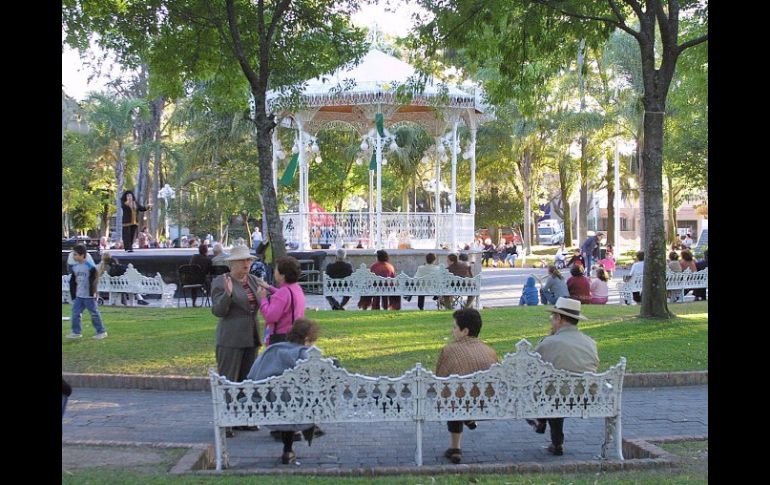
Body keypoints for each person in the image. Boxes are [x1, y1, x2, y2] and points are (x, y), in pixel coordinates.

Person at [527, 297, 598, 456]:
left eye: (553, 316)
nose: (551, 319)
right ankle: (555, 439)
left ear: (559, 318)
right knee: (559, 388)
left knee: (552, 390)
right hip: (586, 396)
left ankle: (541, 421)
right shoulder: (590, 342)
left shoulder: (549, 343)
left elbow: (530, 368)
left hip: (557, 396)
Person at [246, 318, 321, 464]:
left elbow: (251, 376)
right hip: (291, 404)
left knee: (287, 400)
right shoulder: (304, 354)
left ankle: (289, 448)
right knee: (294, 401)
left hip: (264, 401)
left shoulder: (272, 350)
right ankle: (308, 429)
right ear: (307, 339)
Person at [210, 245, 262, 436]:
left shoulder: (254, 281)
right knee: (229, 380)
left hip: (251, 336)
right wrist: (228, 295)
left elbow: (264, 301)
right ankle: (226, 422)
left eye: (248, 260)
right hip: (231, 338)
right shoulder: (221, 282)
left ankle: (244, 419)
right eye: (242, 260)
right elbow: (218, 311)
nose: (246, 264)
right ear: (231, 263)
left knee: (247, 381)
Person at [435, 309, 499, 464]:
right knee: (459, 394)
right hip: (487, 403)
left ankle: (455, 447)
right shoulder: (490, 351)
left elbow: (439, 379)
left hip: (459, 403)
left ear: (465, 331)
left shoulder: (450, 350)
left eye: (455, 327)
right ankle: (468, 418)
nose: (452, 330)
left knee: (453, 394)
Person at [256, 256, 306, 346]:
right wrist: (269, 287)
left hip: (281, 338)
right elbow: (286, 297)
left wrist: (262, 298)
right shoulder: (296, 288)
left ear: (282, 275)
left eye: (276, 270)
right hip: (296, 335)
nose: (274, 272)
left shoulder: (283, 293)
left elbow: (270, 316)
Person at [67, 245, 108, 339]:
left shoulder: (90, 267)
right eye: (74, 254)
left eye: (76, 255)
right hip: (79, 296)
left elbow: (94, 280)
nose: (74, 257)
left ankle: (101, 332)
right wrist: (73, 294)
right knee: (75, 313)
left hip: (89, 296)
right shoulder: (75, 267)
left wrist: (93, 292)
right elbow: (73, 282)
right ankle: (76, 332)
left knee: (94, 314)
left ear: (83, 255)